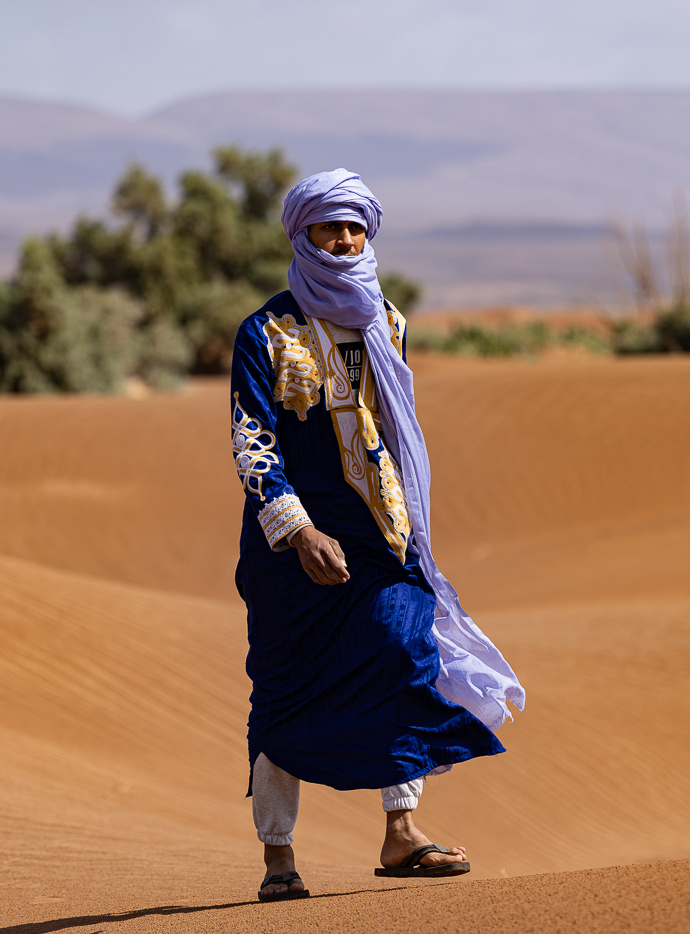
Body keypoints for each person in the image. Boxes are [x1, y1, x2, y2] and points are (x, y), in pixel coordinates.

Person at [229, 168, 525, 903]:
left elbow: (396, 430)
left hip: (380, 535)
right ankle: (278, 855)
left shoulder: (385, 320)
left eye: (354, 227)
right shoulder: (266, 331)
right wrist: (299, 534)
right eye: (329, 227)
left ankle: (401, 831)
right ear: (301, 236)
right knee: (284, 689)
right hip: (290, 547)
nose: (344, 239)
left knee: (401, 652)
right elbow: (252, 444)